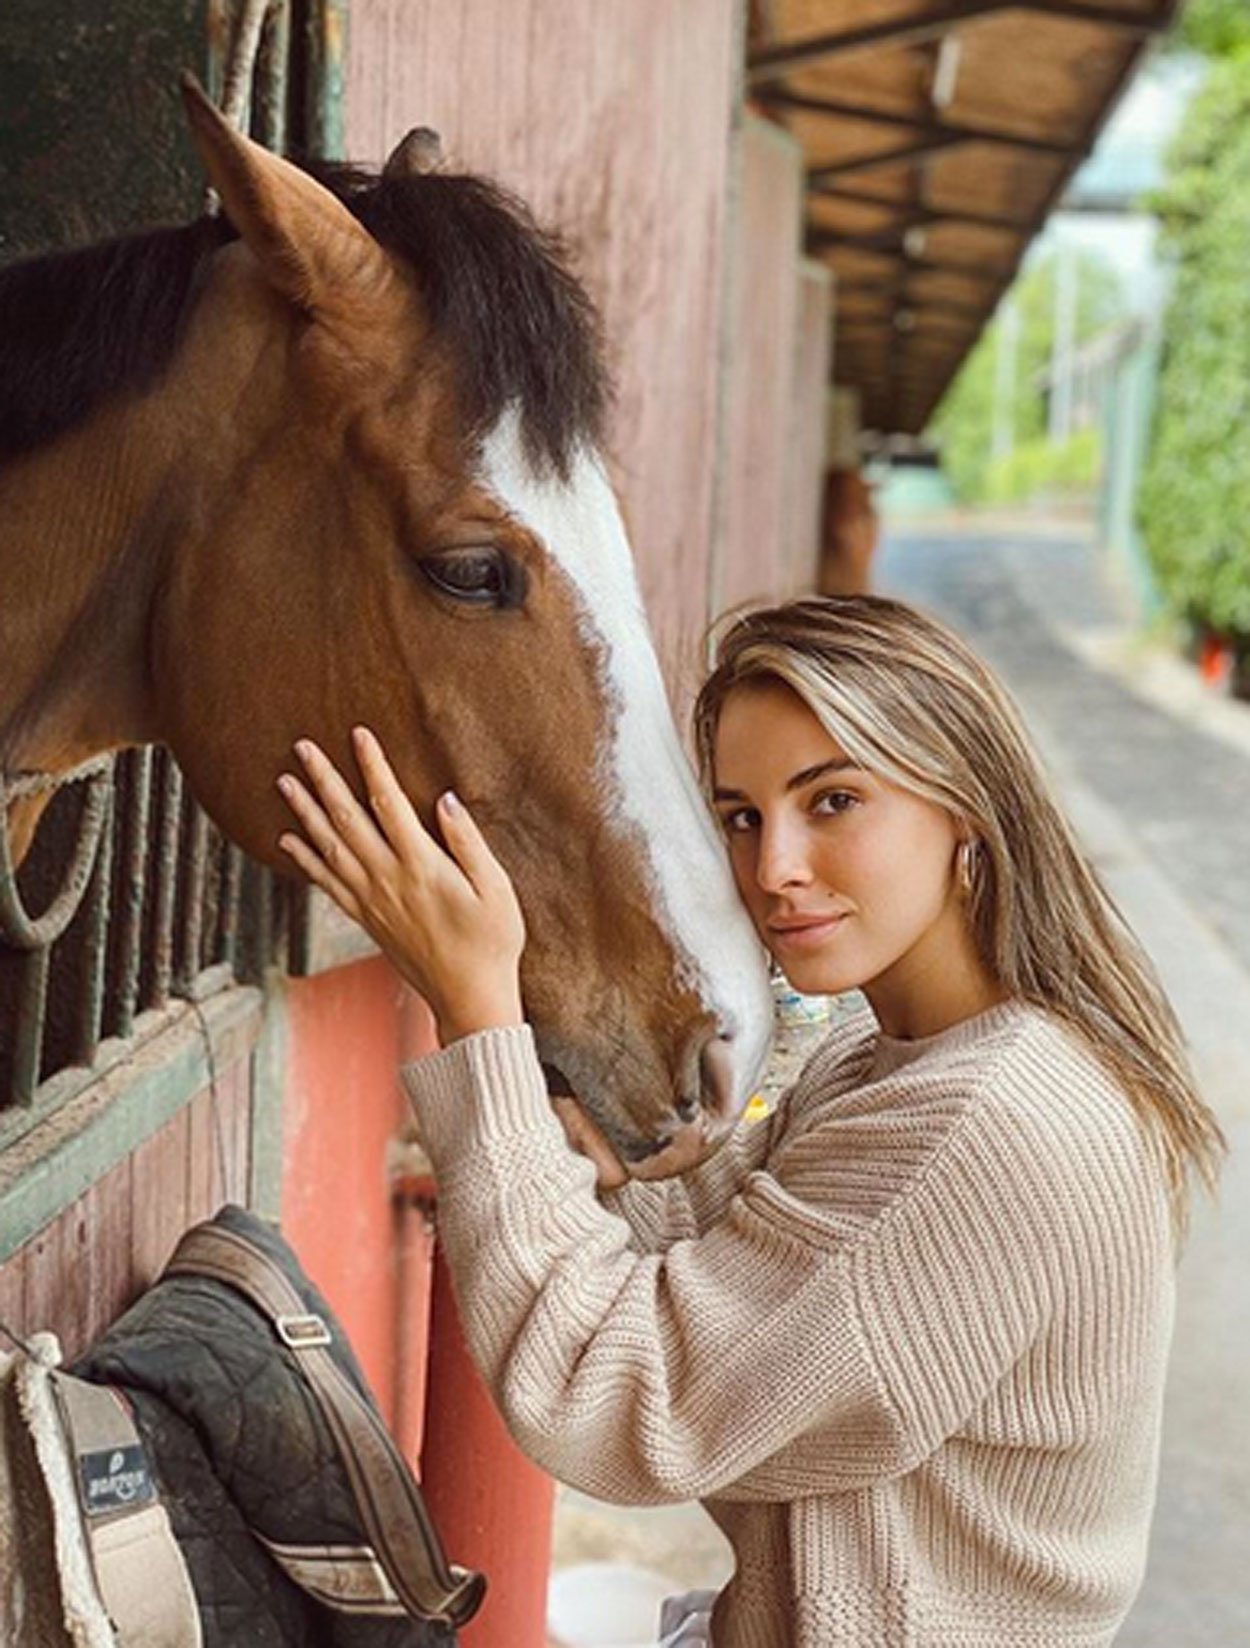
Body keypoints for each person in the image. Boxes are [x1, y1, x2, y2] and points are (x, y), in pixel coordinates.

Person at [276, 594, 1224, 1648]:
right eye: (740, 816)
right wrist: (587, 1140)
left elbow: (615, 1392)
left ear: (965, 804)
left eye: (831, 802)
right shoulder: (899, 1060)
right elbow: (721, 1260)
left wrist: (476, 1009)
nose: (774, 867)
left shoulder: (983, 1120)